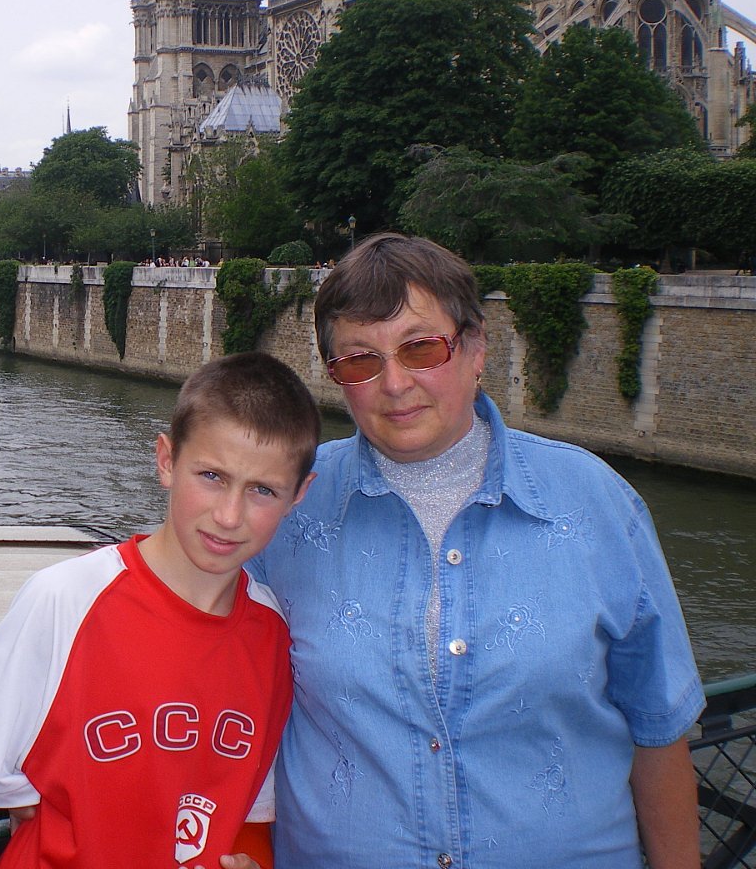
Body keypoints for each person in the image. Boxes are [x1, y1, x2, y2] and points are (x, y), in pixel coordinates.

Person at [244, 234, 703, 869]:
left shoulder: (595, 502)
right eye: (360, 360)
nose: (395, 384)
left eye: (421, 348)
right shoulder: (283, 509)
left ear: (477, 347)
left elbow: (659, 729)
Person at [0, 351, 320, 869]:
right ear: (166, 461)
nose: (228, 515)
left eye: (262, 490)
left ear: (298, 495)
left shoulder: (274, 636)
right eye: (212, 476)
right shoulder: (64, 601)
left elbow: (248, 817)